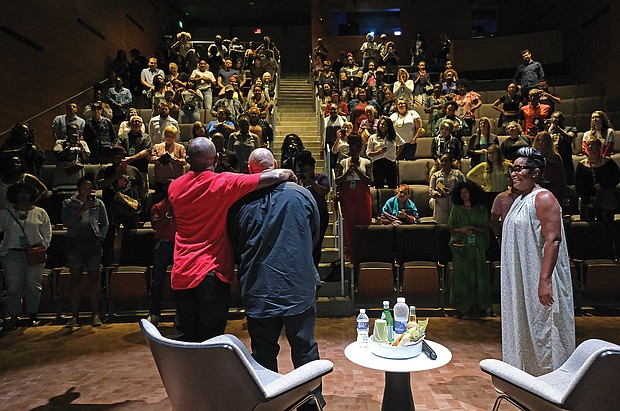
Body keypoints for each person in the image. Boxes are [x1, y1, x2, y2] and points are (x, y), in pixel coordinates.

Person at [167, 138, 296, 342]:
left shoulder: (174, 187)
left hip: (181, 271)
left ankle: (186, 374)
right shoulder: (222, 182)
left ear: (188, 159)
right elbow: (275, 175)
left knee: (184, 337)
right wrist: (288, 173)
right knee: (211, 339)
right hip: (211, 271)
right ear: (216, 159)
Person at [227, 149, 325, 409]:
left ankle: (269, 405)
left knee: (262, 353)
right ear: (276, 165)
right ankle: (311, 404)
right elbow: (313, 236)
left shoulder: (239, 204)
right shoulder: (303, 194)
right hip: (297, 285)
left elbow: (236, 245)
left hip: (260, 287)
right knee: (305, 350)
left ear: (250, 171)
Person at [501, 147, 575, 376]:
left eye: (519, 168)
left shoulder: (543, 197)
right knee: (525, 326)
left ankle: (551, 384)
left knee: (544, 328)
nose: (513, 173)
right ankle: (526, 380)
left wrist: (544, 280)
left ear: (535, 172)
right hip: (522, 277)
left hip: (538, 277)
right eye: (512, 169)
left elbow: (553, 240)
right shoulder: (519, 200)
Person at [0, 183, 52, 331]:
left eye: (26, 193)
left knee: (34, 286)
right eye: (20, 193)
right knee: (13, 286)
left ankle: (33, 316)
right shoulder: (5, 214)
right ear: (14, 196)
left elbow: (47, 232)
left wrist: (43, 247)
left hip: (34, 253)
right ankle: (14, 316)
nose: (23, 196)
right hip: (11, 254)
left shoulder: (40, 212)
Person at [61, 175, 108, 328]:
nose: (86, 192)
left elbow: (105, 223)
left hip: (93, 243)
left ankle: (95, 315)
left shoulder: (98, 203)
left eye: (89, 189)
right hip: (75, 242)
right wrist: (80, 211)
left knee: (94, 279)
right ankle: (74, 316)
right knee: (75, 280)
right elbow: (67, 223)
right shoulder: (68, 203)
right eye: (84, 189)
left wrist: (101, 236)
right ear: (78, 189)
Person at [448, 181, 490, 319]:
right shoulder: (456, 208)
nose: (463, 195)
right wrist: (461, 230)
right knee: (462, 278)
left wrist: (473, 228)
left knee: (479, 277)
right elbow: (451, 228)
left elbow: (485, 227)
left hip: (477, 247)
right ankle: (463, 308)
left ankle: (478, 308)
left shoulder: (481, 208)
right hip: (461, 248)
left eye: (466, 192)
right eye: (461, 193)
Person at [97, 146, 146, 266]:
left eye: (121, 158)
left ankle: (131, 264)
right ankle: (107, 265)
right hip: (112, 209)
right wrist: (117, 174)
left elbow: (142, 185)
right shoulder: (106, 170)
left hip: (130, 209)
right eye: (115, 158)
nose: (118, 160)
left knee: (132, 237)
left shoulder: (133, 170)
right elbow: (100, 184)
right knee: (109, 239)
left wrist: (139, 199)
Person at [335, 135, 372, 262]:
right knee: (349, 224)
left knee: (364, 222)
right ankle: (350, 253)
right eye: (353, 149)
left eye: (357, 149)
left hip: (362, 194)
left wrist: (357, 169)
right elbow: (337, 180)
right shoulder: (343, 162)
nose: (355, 152)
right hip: (348, 194)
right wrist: (347, 173)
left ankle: (365, 252)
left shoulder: (366, 162)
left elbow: (370, 180)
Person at [145, 180, 176, 327]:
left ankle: (182, 312)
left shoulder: (181, 206)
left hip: (179, 245)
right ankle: (154, 312)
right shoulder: (157, 207)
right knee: (158, 280)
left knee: (181, 279)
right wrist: (169, 215)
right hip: (163, 244)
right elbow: (155, 225)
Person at [297, 152, 330, 268]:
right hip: (303, 215)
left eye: (309, 170)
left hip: (320, 215)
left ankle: (314, 268)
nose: (307, 173)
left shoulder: (322, 178)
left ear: (313, 168)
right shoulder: (297, 181)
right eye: (305, 171)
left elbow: (324, 191)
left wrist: (310, 182)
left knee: (317, 243)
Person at [575, 138, 620, 223]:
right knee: (589, 229)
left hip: (605, 199)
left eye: (593, 144)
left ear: (599, 147)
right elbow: (578, 185)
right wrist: (587, 201)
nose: (590, 147)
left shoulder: (608, 162)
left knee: (606, 227)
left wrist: (603, 185)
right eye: (588, 145)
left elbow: (616, 178)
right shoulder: (581, 165)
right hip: (588, 201)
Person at [466, 144, 512, 211]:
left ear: (498, 154)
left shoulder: (506, 165)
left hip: (503, 193)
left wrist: (509, 183)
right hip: (488, 194)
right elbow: (469, 175)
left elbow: (516, 174)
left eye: (493, 153)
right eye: (489, 153)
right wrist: (482, 183)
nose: (491, 155)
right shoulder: (484, 165)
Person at [149, 125, 186, 204]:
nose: (169, 138)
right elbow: (152, 159)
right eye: (167, 136)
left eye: (172, 137)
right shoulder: (157, 146)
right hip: (160, 180)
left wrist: (174, 160)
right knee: (159, 202)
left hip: (176, 180)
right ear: (164, 136)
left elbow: (184, 161)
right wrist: (162, 158)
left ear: (175, 137)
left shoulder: (180, 147)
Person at [366, 116, 405, 188]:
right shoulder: (373, 137)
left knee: (392, 186)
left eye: (386, 125)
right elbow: (368, 153)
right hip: (378, 163)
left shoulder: (393, 135)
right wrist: (378, 152)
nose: (383, 126)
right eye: (382, 124)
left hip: (390, 162)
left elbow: (402, 143)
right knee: (379, 186)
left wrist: (396, 154)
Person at [533, 131, 568, 207]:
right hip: (538, 189)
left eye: (544, 141)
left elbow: (561, 177)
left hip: (553, 190)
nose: (541, 143)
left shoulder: (555, 157)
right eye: (539, 140)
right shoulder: (533, 157)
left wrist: (564, 195)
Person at [429, 154, 466, 224]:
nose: (443, 163)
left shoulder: (458, 174)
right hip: (440, 204)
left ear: (451, 162)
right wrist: (437, 194)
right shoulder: (435, 175)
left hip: (455, 202)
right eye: (442, 161)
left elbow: (464, 188)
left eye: (446, 161)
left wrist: (452, 193)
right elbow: (431, 190)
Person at [547, 111, 577, 185]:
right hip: (553, 161)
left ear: (563, 119)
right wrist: (549, 130)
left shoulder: (571, 128)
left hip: (566, 161)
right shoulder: (550, 131)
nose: (555, 120)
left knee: (568, 183)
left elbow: (569, 138)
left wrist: (558, 129)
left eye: (557, 118)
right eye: (553, 118)